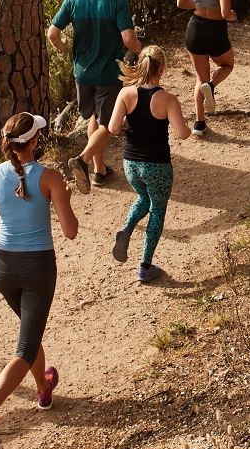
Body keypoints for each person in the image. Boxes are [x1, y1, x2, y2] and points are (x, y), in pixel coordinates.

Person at [0, 113, 79, 449]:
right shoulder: (50, 177)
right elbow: (70, 232)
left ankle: (43, 387)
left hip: (3, 269)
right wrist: (64, 198)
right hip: (38, 268)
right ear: (36, 141)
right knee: (25, 349)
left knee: (30, 329)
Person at [69, 47, 192, 282]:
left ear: (140, 65)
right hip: (157, 165)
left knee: (144, 199)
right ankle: (145, 266)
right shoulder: (167, 99)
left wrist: (130, 122)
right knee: (157, 209)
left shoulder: (126, 94)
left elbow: (113, 128)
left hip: (131, 164)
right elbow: (183, 134)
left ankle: (126, 228)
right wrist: (180, 120)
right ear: (163, 69)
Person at [49, 0, 142, 189]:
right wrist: (140, 50)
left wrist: (62, 47)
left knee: (95, 117)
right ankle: (82, 160)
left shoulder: (73, 2)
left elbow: (52, 34)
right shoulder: (117, 3)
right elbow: (128, 38)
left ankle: (99, 171)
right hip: (107, 74)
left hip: (82, 74)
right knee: (109, 126)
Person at [178, 0, 237, 136]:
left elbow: (180, 4)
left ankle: (199, 124)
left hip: (195, 28)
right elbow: (226, 13)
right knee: (227, 65)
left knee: (201, 77)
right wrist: (234, 15)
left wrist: (200, 4)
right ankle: (211, 86)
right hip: (215, 31)